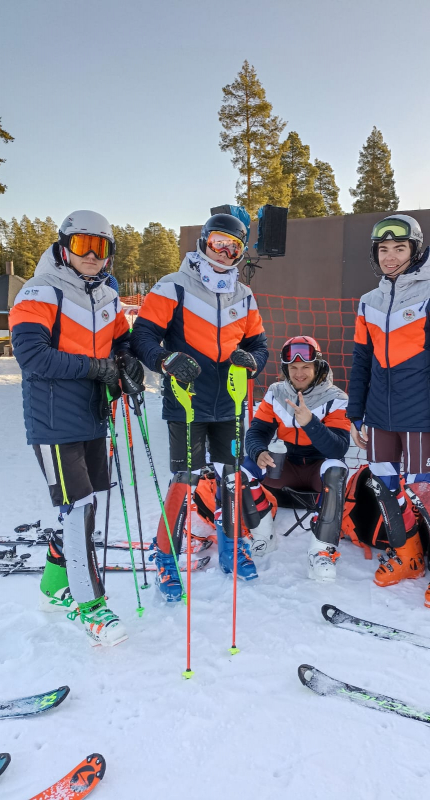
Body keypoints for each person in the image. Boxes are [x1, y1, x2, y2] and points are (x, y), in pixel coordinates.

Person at [9, 210, 144, 646]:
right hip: (54, 420)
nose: (91, 255)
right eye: (82, 244)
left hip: (93, 415)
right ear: (64, 246)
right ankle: (90, 605)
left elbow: (121, 339)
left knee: (84, 504)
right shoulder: (40, 291)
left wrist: (126, 363)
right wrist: (96, 368)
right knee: (78, 506)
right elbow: (32, 355)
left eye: (100, 247)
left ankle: (53, 583)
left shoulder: (107, 294)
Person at [131, 211, 268, 600]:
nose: (224, 252)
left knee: (231, 477)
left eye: (233, 247)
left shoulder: (244, 295)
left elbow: (258, 344)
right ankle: (165, 558)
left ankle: (231, 547)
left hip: (230, 402)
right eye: (218, 243)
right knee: (185, 479)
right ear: (204, 242)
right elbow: (142, 335)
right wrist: (164, 359)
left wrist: (253, 361)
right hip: (186, 400)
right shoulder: (173, 286)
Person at [347, 214, 430, 606]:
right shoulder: (369, 302)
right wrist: (355, 413)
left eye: (399, 248)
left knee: (422, 490)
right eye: (383, 249)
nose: (390, 256)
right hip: (379, 417)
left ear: (414, 251)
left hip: (420, 416)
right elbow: (361, 362)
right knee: (384, 484)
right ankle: (409, 555)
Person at [244, 336, 350, 581]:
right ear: (285, 369)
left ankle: (321, 551)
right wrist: (258, 451)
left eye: (305, 367)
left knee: (337, 469)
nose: (299, 373)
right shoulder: (276, 392)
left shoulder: (336, 397)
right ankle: (263, 536)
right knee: (245, 468)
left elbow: (338, 449)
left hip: (318, 466)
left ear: (318, 367)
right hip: (286, 464)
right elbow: (257, 432)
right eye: (293, 367)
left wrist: (311, 423)